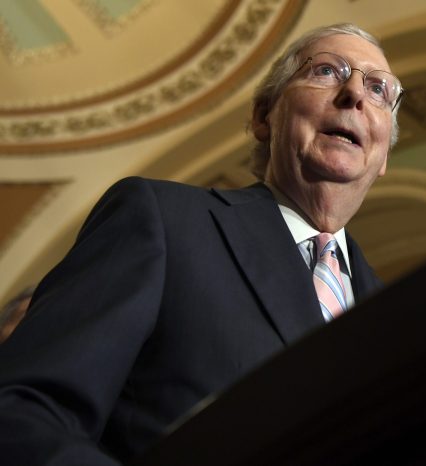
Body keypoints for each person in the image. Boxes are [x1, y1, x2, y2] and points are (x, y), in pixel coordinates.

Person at [0, 23, 402, 465]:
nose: (355, 95)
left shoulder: (400, 317)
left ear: (383, 155)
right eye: (327, 71)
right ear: (263, 117)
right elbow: (23, 410)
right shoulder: (164, 221)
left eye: (379, 89)